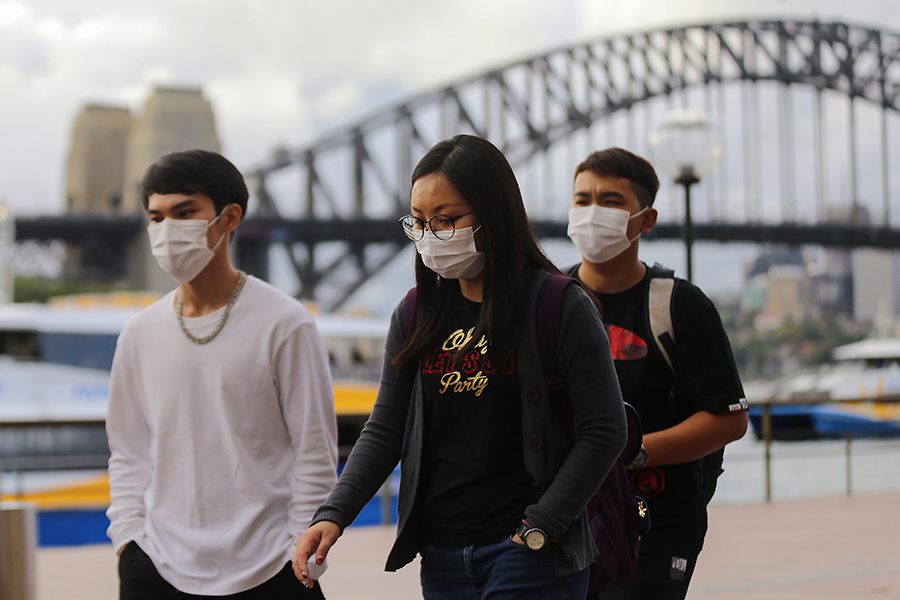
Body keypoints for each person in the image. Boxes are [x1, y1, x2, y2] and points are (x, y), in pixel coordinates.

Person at [292, 134, 626, 599]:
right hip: (444, 556)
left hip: (529, 554)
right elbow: (385, 428)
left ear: (492, 214)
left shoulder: (557, 306)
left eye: (446, 221)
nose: (430, 237)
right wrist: (333, 513)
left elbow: (605, 429)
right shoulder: (414, 314)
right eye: (420, 223)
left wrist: (541, 527)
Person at [106, 149, 338, 599]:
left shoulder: (285, 323)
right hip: (156, 567)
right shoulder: (138, 334)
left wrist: (300, 553)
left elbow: (315, 451)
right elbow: (127, 451)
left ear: (229, 217)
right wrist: (128, 542)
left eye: (185, 212)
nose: (166, 229)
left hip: (271, 567)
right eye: (156, 217)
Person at [564, 147, 748, 600]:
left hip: (656, 520)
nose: (592, 213)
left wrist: (631, 452)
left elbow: (729, 418)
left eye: (610, 201)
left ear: (646, 220)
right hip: (564, 516)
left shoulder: (681, 305)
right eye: (582, 199)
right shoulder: (551, 300)